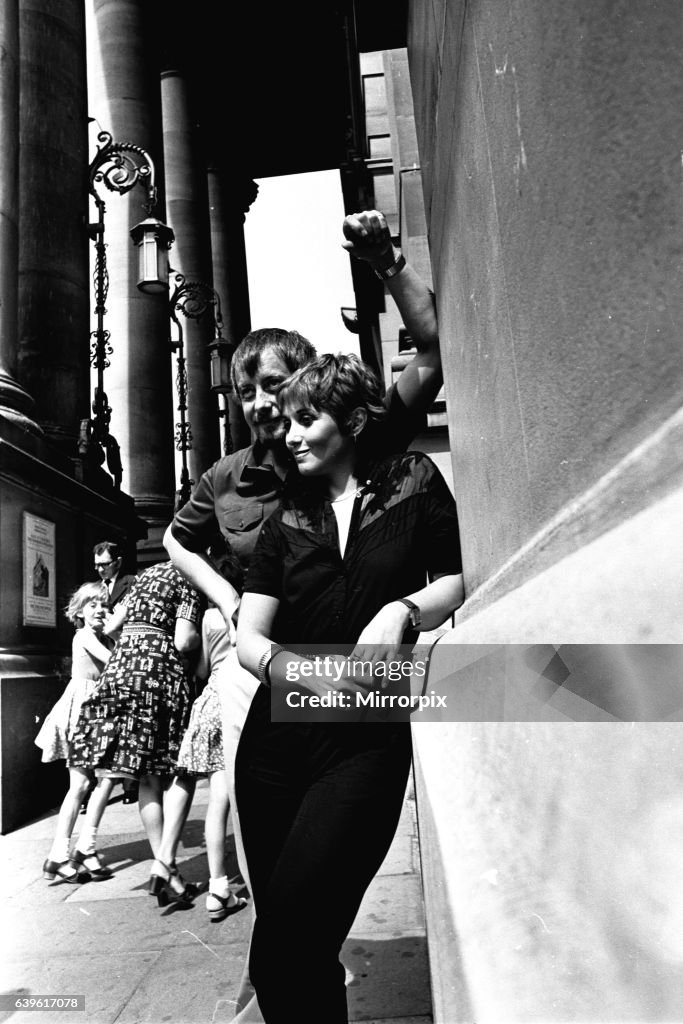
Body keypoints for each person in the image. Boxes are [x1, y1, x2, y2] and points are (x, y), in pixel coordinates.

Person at [162, 208, 443, 1018]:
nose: (260, 403)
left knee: (296, 924)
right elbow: (179, 545)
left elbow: (431, 352)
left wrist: (389, 264)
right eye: (247, 390)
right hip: (262, 688)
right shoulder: (229, 479)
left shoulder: (355, 450)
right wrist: (226, 612)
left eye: (277, 386)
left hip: (348, 693)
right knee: (284, 922)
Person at [235, 352, 464, 1022]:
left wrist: (403, 610)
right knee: (290, 954)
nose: (292, 434)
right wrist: (297, 672)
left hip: (364, 745)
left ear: (354, 420)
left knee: (288, 945)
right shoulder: (286, 518)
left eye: (308, 420)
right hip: (273, 746)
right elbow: (250, 638)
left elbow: (456, 575)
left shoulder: (413, 481)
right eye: (290, 424)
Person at [69, 561, 204, 907]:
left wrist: (132, 642)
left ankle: (167, 872)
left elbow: (113, 625)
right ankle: (164, 865)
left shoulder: (144, 575)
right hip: (158, 673)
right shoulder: (189, 578)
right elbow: (184, 640)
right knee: (175, 768)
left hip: (121, 670)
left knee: (145, 775)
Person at [176, 541, 249, 922]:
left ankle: (218, 883)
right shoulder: (250, 610)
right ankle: (250, 882)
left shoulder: (206, 618)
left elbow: (202, 667)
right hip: (243, 696)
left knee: (217, 797)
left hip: (212, 698)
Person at [35, 582, 116, 883]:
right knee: (81, 784)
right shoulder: (84, 636)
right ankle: (60, 853)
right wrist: (118, 630)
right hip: (83, 713)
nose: (99, 609)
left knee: (106, 778)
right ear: (79, 612)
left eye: (103, 604)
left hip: (97, 711)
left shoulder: (101, 637)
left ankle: (86, 848)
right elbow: (114, 663)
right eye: (92, 605)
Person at [93, 540, 138, 805]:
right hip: (102, 658)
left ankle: (131, 785)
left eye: (105, 564)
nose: (100, 570)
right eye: (97, 565)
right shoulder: (94, 589)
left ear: (118, 562)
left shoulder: (132, 583)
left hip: (126, 655)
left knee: (129, 717)